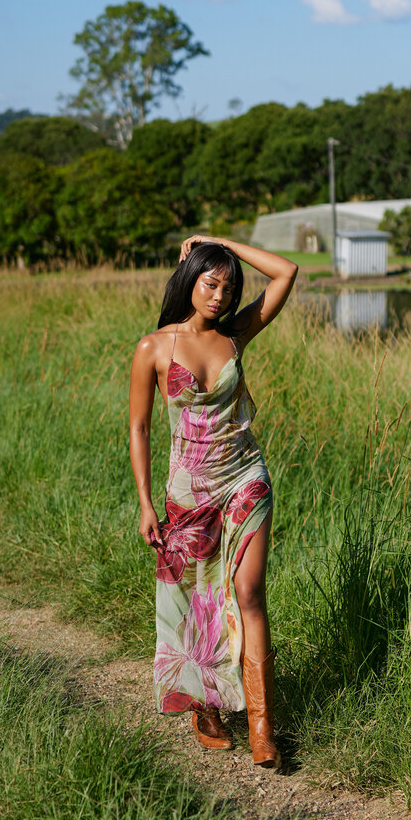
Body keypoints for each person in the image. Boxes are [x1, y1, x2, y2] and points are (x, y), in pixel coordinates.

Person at [129, 234, 298, 769]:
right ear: (189, 280)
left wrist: (220, 242)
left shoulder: (236, 335)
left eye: (228, 287)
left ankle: (261, 725)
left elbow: (287, 271)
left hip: (244, 476)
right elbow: (138, 429)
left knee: (248, 591)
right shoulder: (153, 348)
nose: (220, 296)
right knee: (196, 601)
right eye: (210, 282)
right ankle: (206, 706)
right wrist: (145, 503)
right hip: (188, 490)